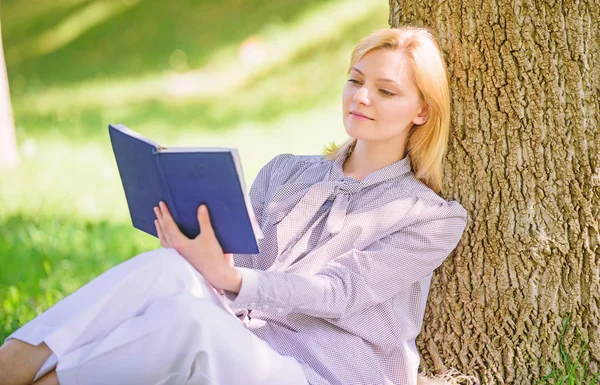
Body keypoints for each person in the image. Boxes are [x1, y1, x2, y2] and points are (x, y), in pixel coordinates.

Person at [0, 26, 467, 385]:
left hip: (321, 373)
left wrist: (230, 279)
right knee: (166, 271)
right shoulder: (287, 171)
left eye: (386, 91)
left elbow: (340, 294)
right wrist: (196, 250)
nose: (361, 97)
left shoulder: (430, 217)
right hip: (246, 339)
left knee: (190, 323)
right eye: (355, 80)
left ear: (421, 110)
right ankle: (10, 366)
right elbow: (237, 261)